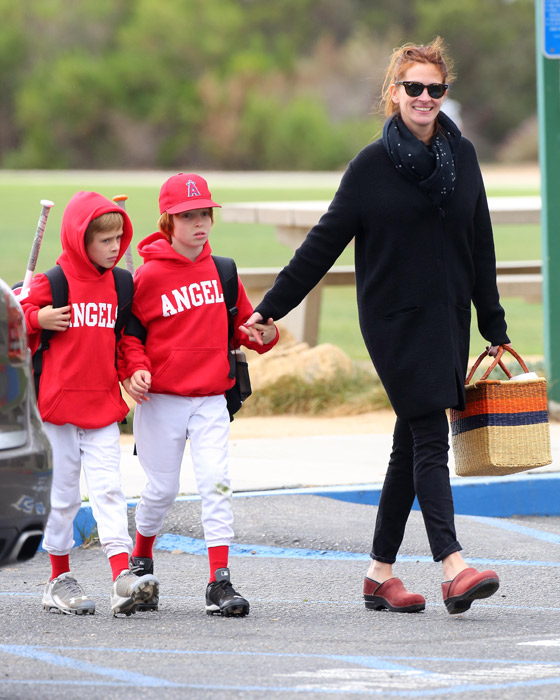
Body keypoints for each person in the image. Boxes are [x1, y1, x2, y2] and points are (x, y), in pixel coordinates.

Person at [243, 38, 509, 615]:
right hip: (392, 321)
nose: (424, 97)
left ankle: (378, 574)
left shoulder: (463, 159)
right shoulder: (370, 166)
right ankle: (452, 566)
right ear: (394, 93)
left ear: (444, 94)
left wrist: (494, 323)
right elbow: (321, 246)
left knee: (407, 443)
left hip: (447, 319)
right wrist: (269, 310)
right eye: (413, 87)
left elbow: (479, 244)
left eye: (435, 88)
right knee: (428, 431)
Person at [119, 173, 278, 617]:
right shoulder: (146, 277)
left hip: (210, 399)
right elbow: (129, 338)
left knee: (216, 486)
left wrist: (264, 334)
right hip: (162, 401)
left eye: (204, 213)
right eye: (188, 216)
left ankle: (219, 581)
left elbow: (248, 327)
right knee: (161, 490)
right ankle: (141, 556)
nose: (199, 223)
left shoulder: (223, 271)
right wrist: (137, 369)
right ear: (168, 221)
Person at [20, 191, 159, 617]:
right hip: (57, 411)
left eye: (119, 238)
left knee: (109, 492)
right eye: (104, 240)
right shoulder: (54, 282)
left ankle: (122, 575)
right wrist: (35, 318)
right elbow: (15, 320)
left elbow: (123, 341)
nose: (115, 247)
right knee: (62, 498)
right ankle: (58, 578)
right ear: (81, 240)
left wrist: (132, 371)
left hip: (101, 407)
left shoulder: (119, 283)